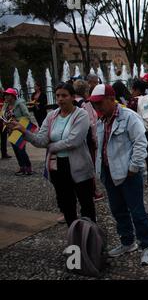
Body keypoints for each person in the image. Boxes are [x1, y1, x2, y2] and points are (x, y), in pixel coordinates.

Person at [9, 83, 96, 227]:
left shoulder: (81, 114)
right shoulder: (52, 116)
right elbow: (41, 140)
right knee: (67, 204)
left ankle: (91, 237)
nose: (60, 99)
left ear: (72, 97)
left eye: (64, 95)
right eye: (58, 96)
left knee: (86, 204)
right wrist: (24, 131)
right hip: (58, 167)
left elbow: (73, 141)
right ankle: (74, 236)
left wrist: (51, 146)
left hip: (78, 165)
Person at [89, 84, 148, 266]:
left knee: (137, 212)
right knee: (118, 210)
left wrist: (133, 167)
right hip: (108, 173)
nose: (97, 107)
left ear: (112, 100)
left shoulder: (129, 117)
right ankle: (127, 242)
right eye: (94, 104)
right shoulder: (101, 119)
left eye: (100, 103)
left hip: (128, 174)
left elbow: (140, 143)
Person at [73, 80, 104, 202]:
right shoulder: (86, 103)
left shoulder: (71, 103)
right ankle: (93, 191)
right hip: (87, 139)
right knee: (89, 165)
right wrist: (95, 140)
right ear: (86, 91)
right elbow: (92, 122)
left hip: (75, 139)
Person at [128, 79, 148, 189]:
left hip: (139, 130)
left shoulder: (134, 101)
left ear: (136, 89)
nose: (131, 91)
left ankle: (138, 174)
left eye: (133, 89)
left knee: (137, 152)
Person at [1, 88, 33, 175]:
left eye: (8, 95)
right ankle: (22, 167)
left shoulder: (19, 104)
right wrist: (4, 120)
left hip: (19, 129)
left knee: (21, 149)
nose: (5, 96)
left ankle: (28, 168)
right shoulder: (6, 105)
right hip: (10, 130)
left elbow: (27, 116)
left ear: (13, 96)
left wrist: (15, 119)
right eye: (5, 95)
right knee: (16, 149)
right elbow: (3, 114)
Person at [0, 89, 12, 159]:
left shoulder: (5, 101)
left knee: (4, 138)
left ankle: (4, 153)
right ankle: (4, 153)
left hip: (3, 122)